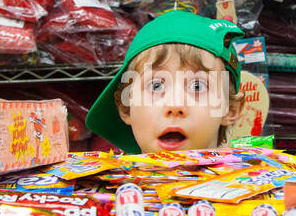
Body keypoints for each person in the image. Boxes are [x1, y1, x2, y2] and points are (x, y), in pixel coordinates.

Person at [86, 11, 244, 154]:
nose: (175, 106)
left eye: (198, 86)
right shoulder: (103, 185)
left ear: (230, 109)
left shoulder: (249, 185)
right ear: (126, 107)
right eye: (156, 85)